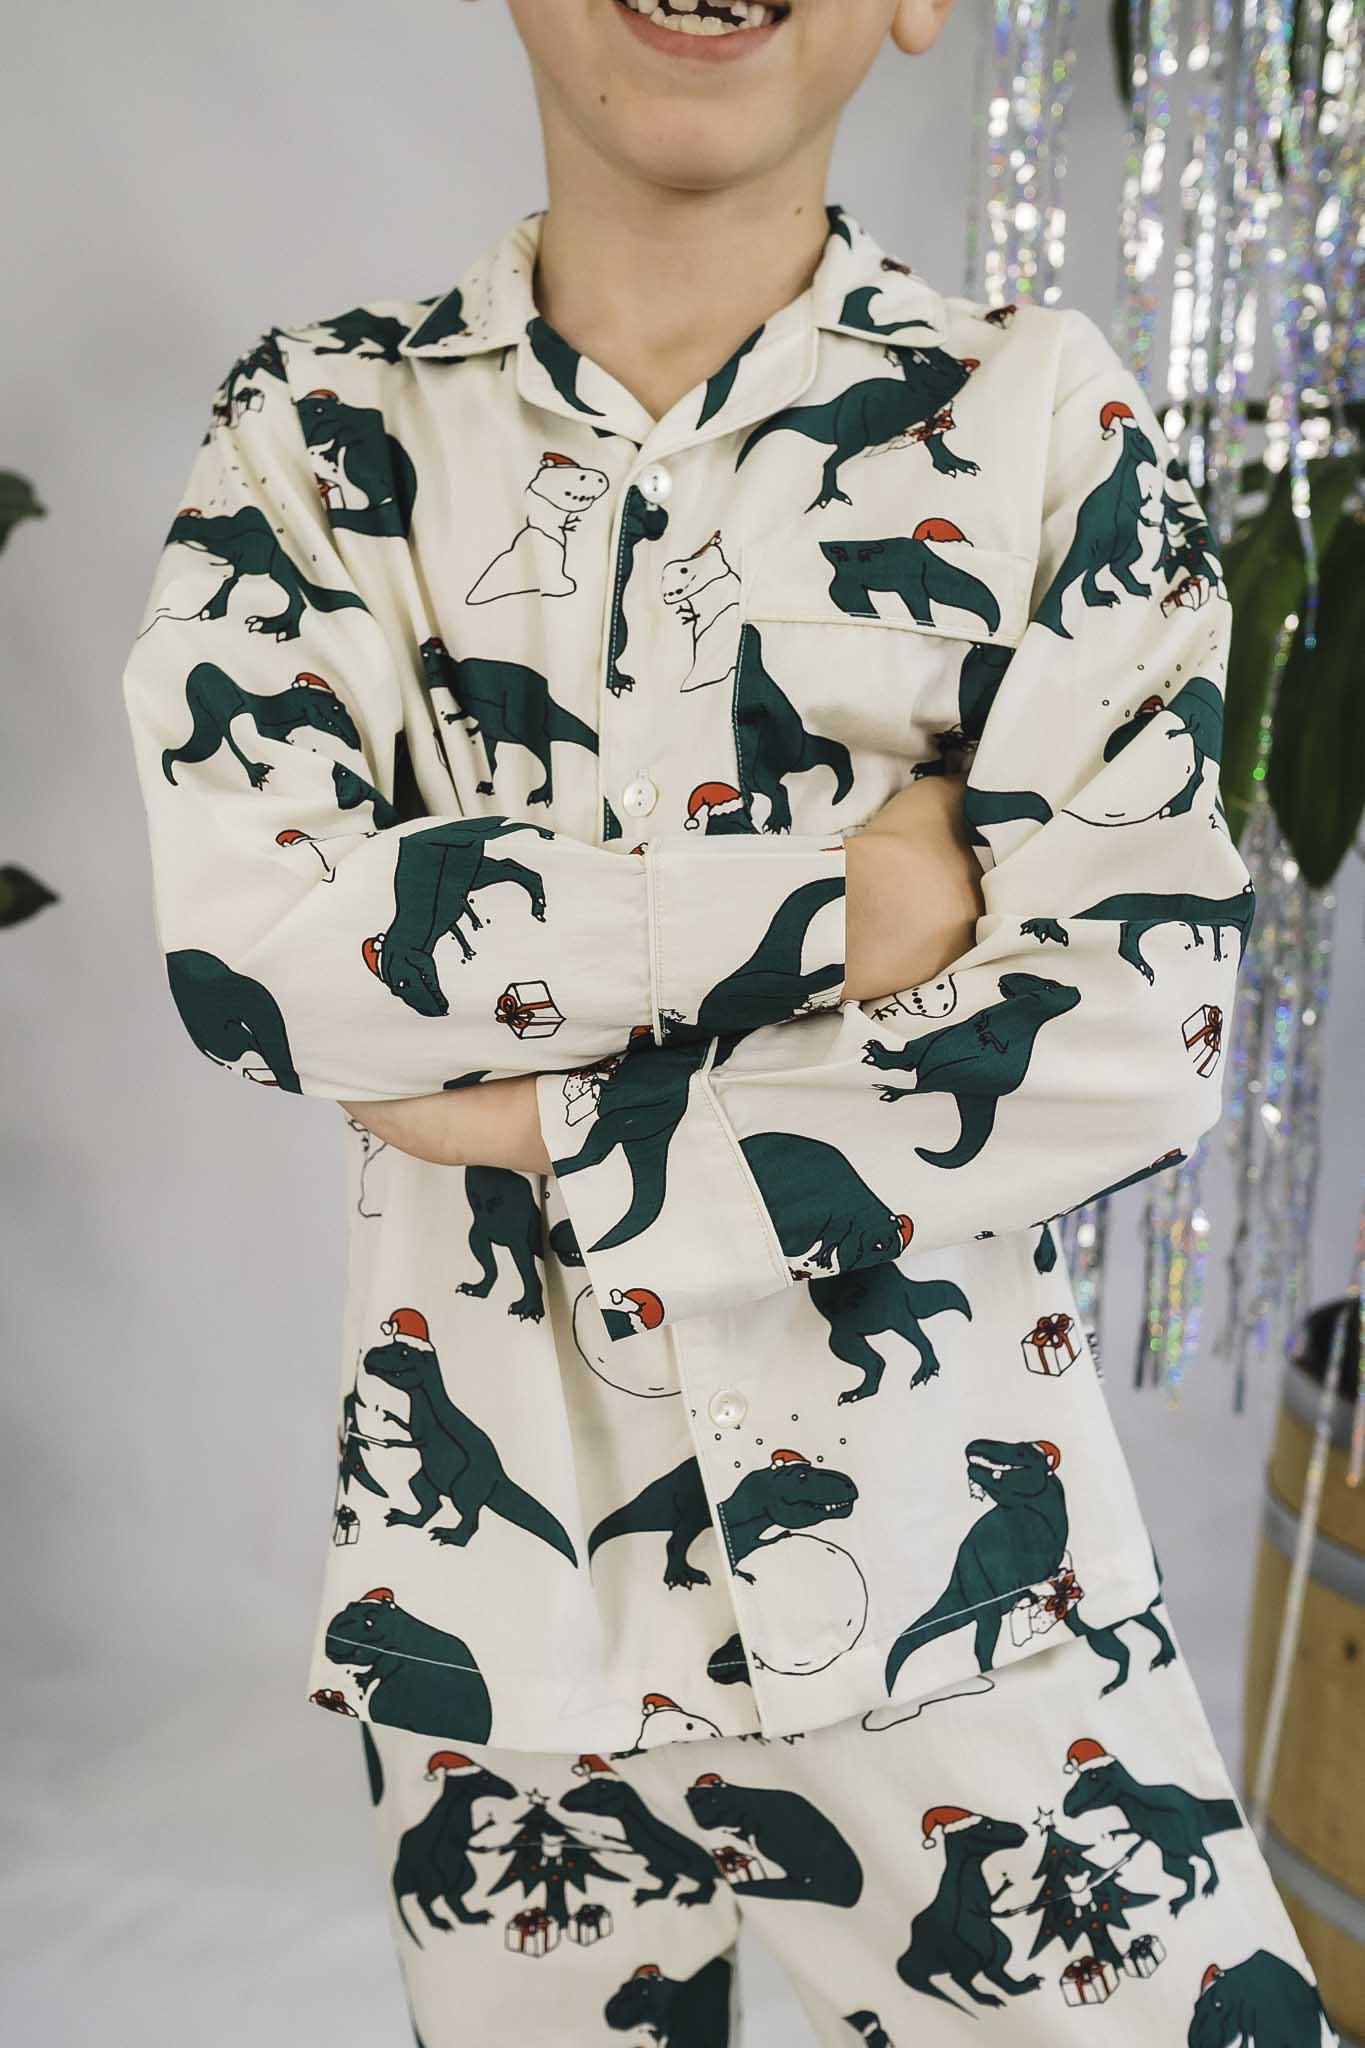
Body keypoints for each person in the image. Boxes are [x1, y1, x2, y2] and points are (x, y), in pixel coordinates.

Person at [119, 1, 1341, 2041]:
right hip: (495, 1647)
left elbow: (1135, 1020)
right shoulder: (317, 431)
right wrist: (849, 906)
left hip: (959, 1602)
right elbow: (260, 948)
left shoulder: (1034, 418)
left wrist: (557, 1127)